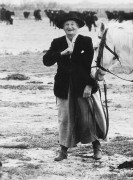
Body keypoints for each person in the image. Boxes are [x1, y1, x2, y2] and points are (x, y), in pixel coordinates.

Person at [43, 13, 102, 161]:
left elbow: (90, 65)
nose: (69, 27)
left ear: (77, 27)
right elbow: (46, 61)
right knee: (65, 118)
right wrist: (63, 53)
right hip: (64, 87)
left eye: (72, 25)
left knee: (87, 117)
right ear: (63, 28)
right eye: (67, 25)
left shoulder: (86, 41)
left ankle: (96, 147)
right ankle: (63, 150)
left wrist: (89, 85)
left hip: (83, 87)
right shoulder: (57, 42)